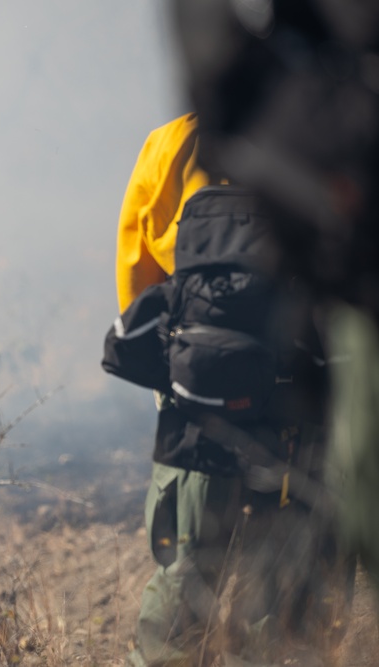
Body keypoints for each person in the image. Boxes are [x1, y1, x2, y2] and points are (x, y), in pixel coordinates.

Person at [116, 113, 351, 666]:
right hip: (306, 401)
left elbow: (136, 284)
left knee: (185, 579)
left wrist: (169, 381)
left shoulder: (173, 142)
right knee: (295, 590)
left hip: (201, 400)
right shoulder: (336, 130)